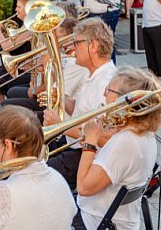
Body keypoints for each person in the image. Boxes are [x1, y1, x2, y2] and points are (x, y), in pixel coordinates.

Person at [77, 67, 161, 230]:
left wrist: (90, 143)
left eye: (108, 90)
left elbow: (84, 187)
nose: (104, 95)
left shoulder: (125, 141)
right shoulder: (144, 135)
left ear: (124, 101)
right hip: (119, 217)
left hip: (96, 220)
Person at [44, 18, 117, 189]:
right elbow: (82, 110)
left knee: (34, 175)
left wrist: (59, 125)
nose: (72, 48)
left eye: (77, 43)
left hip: (85, 156)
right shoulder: (94, 74)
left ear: (93, 46)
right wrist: (62, 99)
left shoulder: (106, 84)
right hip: (75, 146)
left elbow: (102, 137)